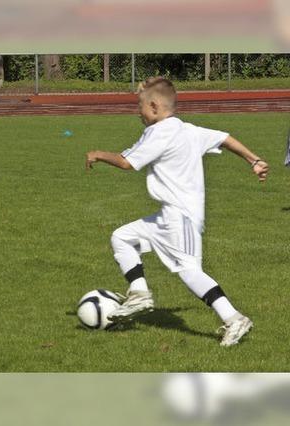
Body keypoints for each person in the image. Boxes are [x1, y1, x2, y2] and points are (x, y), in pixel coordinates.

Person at [85, 76, 269, 346]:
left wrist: (98, 154)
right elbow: (225, 138)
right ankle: (139, 293)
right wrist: (255, 160)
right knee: (122, 237)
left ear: (156, 107)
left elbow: (127, 163)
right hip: (171, 215)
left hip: (179, 216)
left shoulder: (159, 133)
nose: (139, 112)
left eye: (141, 106)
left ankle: (233, 318)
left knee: (190, 271)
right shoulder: (189, 130)